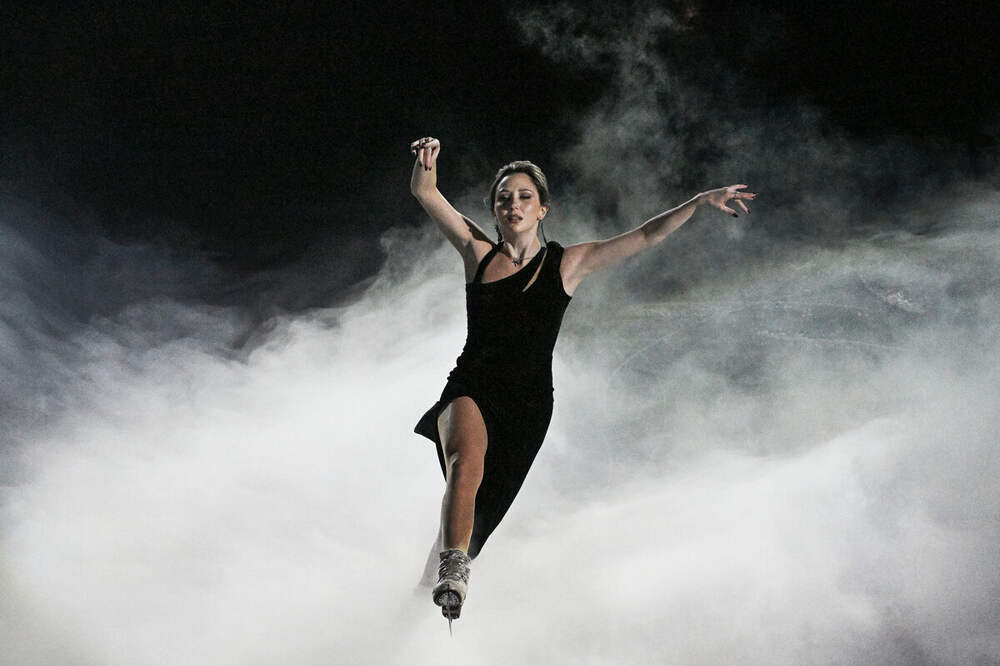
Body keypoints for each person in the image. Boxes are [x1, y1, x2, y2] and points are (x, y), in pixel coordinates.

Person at [408, 136, 755, 626]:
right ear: (494, 210)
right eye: (504, 197)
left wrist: (698, 202)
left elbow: (646, 235)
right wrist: (425, 161)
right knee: (466, 463)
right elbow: (426, 192)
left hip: (528, 407)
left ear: (542, 208)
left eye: (524, 196)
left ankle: (430, 582)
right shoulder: (477, 252)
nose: (513, 204)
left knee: (479, 517)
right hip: (470, 387)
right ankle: (452, 569)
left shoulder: (568, 264)